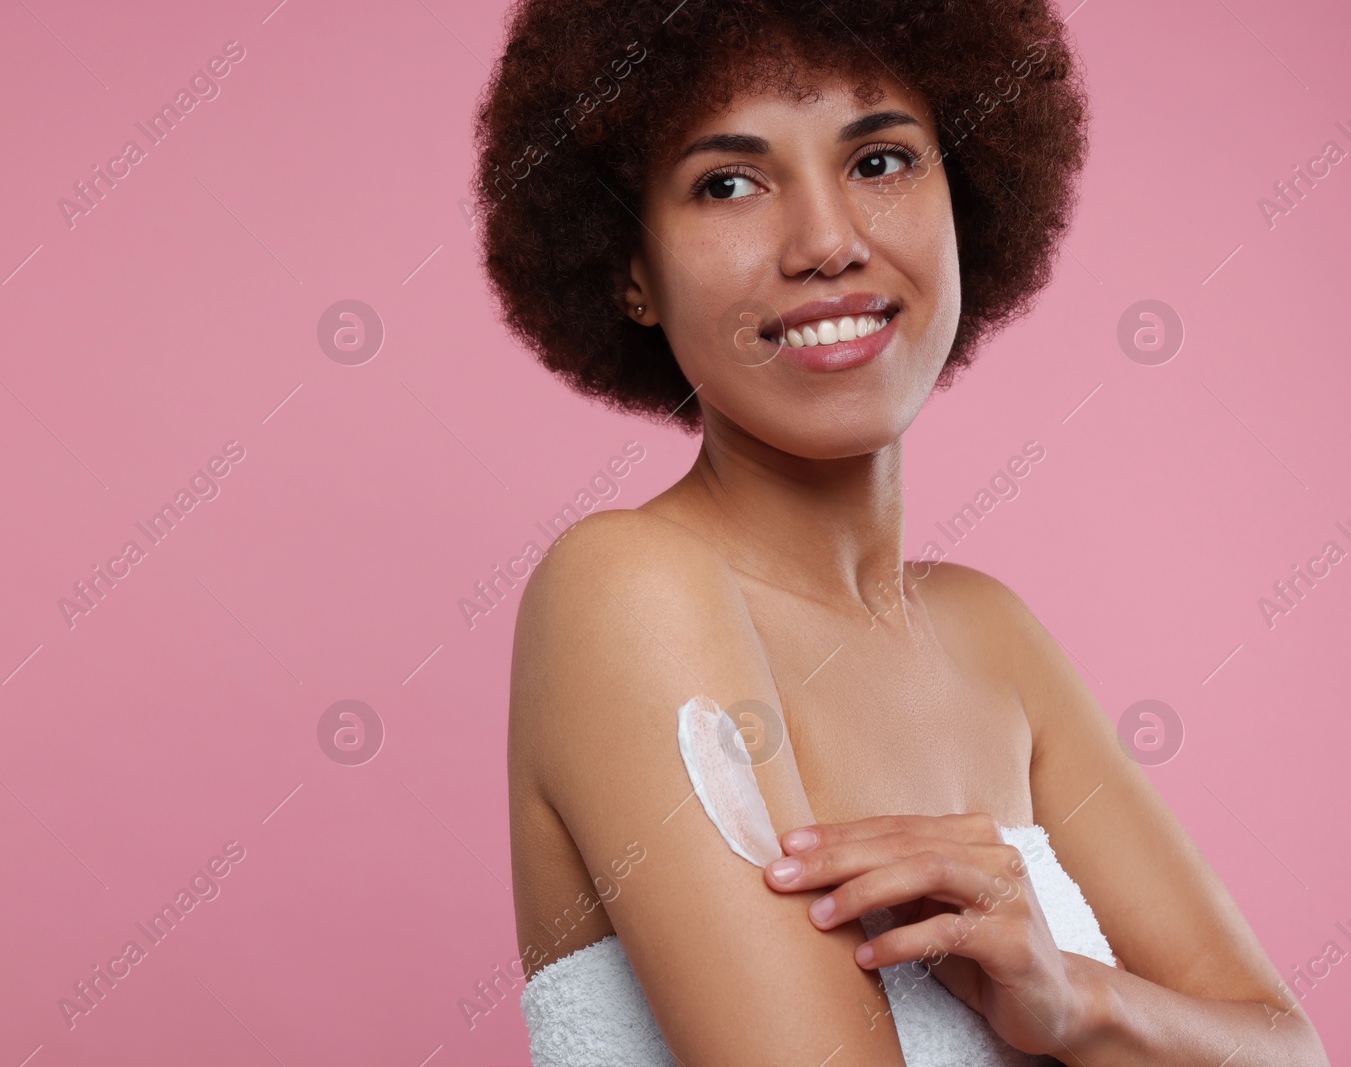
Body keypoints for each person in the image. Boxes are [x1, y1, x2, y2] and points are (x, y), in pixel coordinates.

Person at [471, 1, 1330, 1063]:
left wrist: (1076, 1001)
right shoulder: (630, 588)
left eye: (879, 160)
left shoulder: (988, 634)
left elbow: (1284, 1045)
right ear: (630, 269)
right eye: (727, 183)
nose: (829, 242)